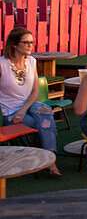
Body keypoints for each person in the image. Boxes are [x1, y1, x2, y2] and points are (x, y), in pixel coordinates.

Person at [0, 26, 60, 175]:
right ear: (14, 44)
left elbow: (35, 92)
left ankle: (49, 159)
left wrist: (23, 109)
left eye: (31, 42)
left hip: (28, 105)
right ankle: (50, 160)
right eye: (26, 42)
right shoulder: (2, 64)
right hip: (9, 110)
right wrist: (16, 112)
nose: (30, 46)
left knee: (46, 112)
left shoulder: (32, 61)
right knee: (45, 124)